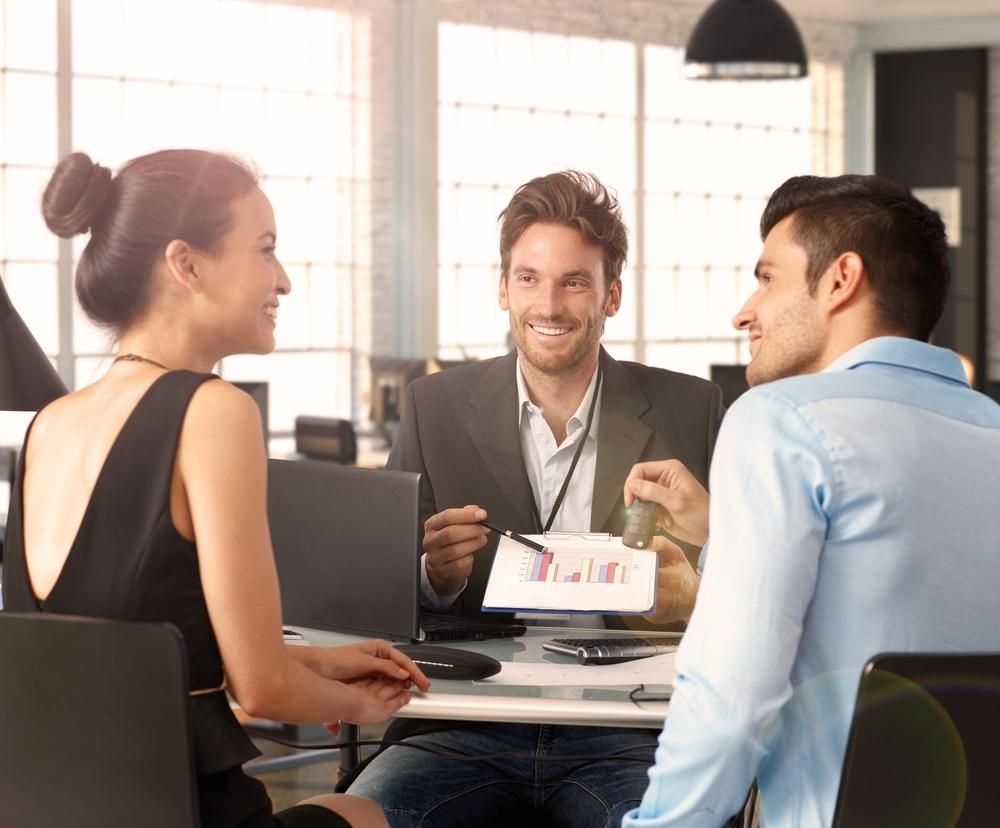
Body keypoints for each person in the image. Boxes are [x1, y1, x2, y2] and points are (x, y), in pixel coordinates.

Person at [1, 149, 429, 828]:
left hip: (61, 811)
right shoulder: (213, 411)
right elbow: (262, 689)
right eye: (265, 249)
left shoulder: (49, 424)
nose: (283, 280)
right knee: (369, 810)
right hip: (196, 811)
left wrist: (321, 663)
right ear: (187, 265)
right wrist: (363, 706)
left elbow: (134, 647)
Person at [619, 174, 1000, 827]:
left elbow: (730, 693)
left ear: (840, 280)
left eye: (768, 279)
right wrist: (723, 534)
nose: (746, 312)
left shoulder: (779, 420)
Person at [347, 171, 724, 827]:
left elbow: (746, 588)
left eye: (574, 282)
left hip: (630, 728)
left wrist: (692, 586)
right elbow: (375, 596)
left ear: (611, 295)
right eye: (529, 278)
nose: (548, 305)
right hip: (462, 725)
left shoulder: (691, 408)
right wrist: (433, 577)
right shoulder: (433, 406)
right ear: (503, 288)